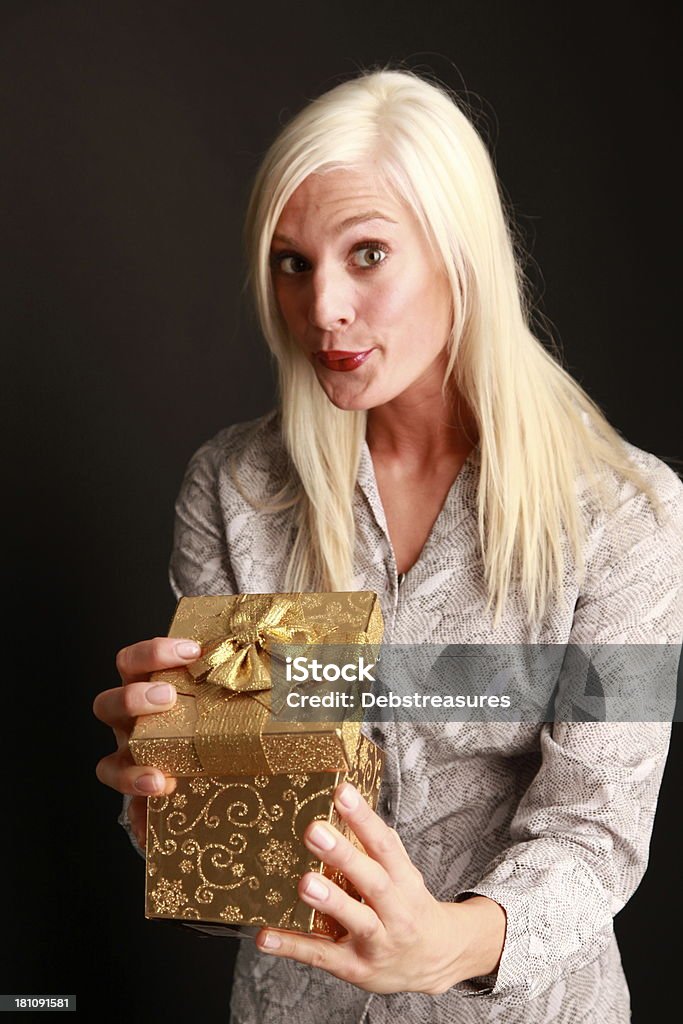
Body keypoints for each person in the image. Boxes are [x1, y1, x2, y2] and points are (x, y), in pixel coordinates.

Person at [93, 68, 683, 1023]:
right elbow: (235, 854)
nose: (322, 305)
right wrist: (173, 803)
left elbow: (598, 832)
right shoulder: (233, 489)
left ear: (461, 255)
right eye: (292, 262)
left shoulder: (635, 515)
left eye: (367, 254)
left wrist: (443, 944)